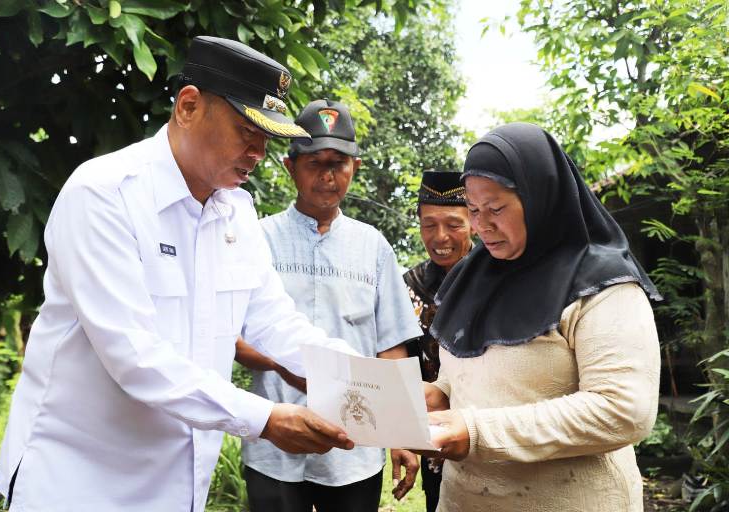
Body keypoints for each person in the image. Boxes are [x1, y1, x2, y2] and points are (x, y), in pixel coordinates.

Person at [0, 37, 359, 512]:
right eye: (245, 129)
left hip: (178, 488)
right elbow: (135, 356)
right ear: (188, 106)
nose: (257, 151)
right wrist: (265, 417)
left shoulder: (237, 212)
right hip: (76, 483)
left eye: (266, 137)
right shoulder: (104, 195)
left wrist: (371, 386)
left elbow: (275, 323)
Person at [420, 123, 662, 511]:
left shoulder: (601, 284)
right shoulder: (472, 277)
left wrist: (478, 431)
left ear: (538, 197)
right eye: (474, 210)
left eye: (496, 208)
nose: (482, 225)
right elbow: (472, 365)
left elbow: (624, 410)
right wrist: (441, 392)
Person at [235, 98, 422, 512]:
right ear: (290, 167)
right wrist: (289, 367)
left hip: (354, 447)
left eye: (338, 162)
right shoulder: (256, 239)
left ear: (354, 168)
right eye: (314, 163)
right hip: (274, 444)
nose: (327, 175)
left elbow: (391, 346)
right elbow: (231, 338)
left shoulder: (373, 247)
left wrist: (402, 433)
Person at [403, 170, 473, 512]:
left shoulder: (498, 279)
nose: (440, 236)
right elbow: (398, 356)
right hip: (433, 432)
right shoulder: (408, 286)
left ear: (474, 221)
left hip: (489, 426)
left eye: (453, 224)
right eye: (429, 225)